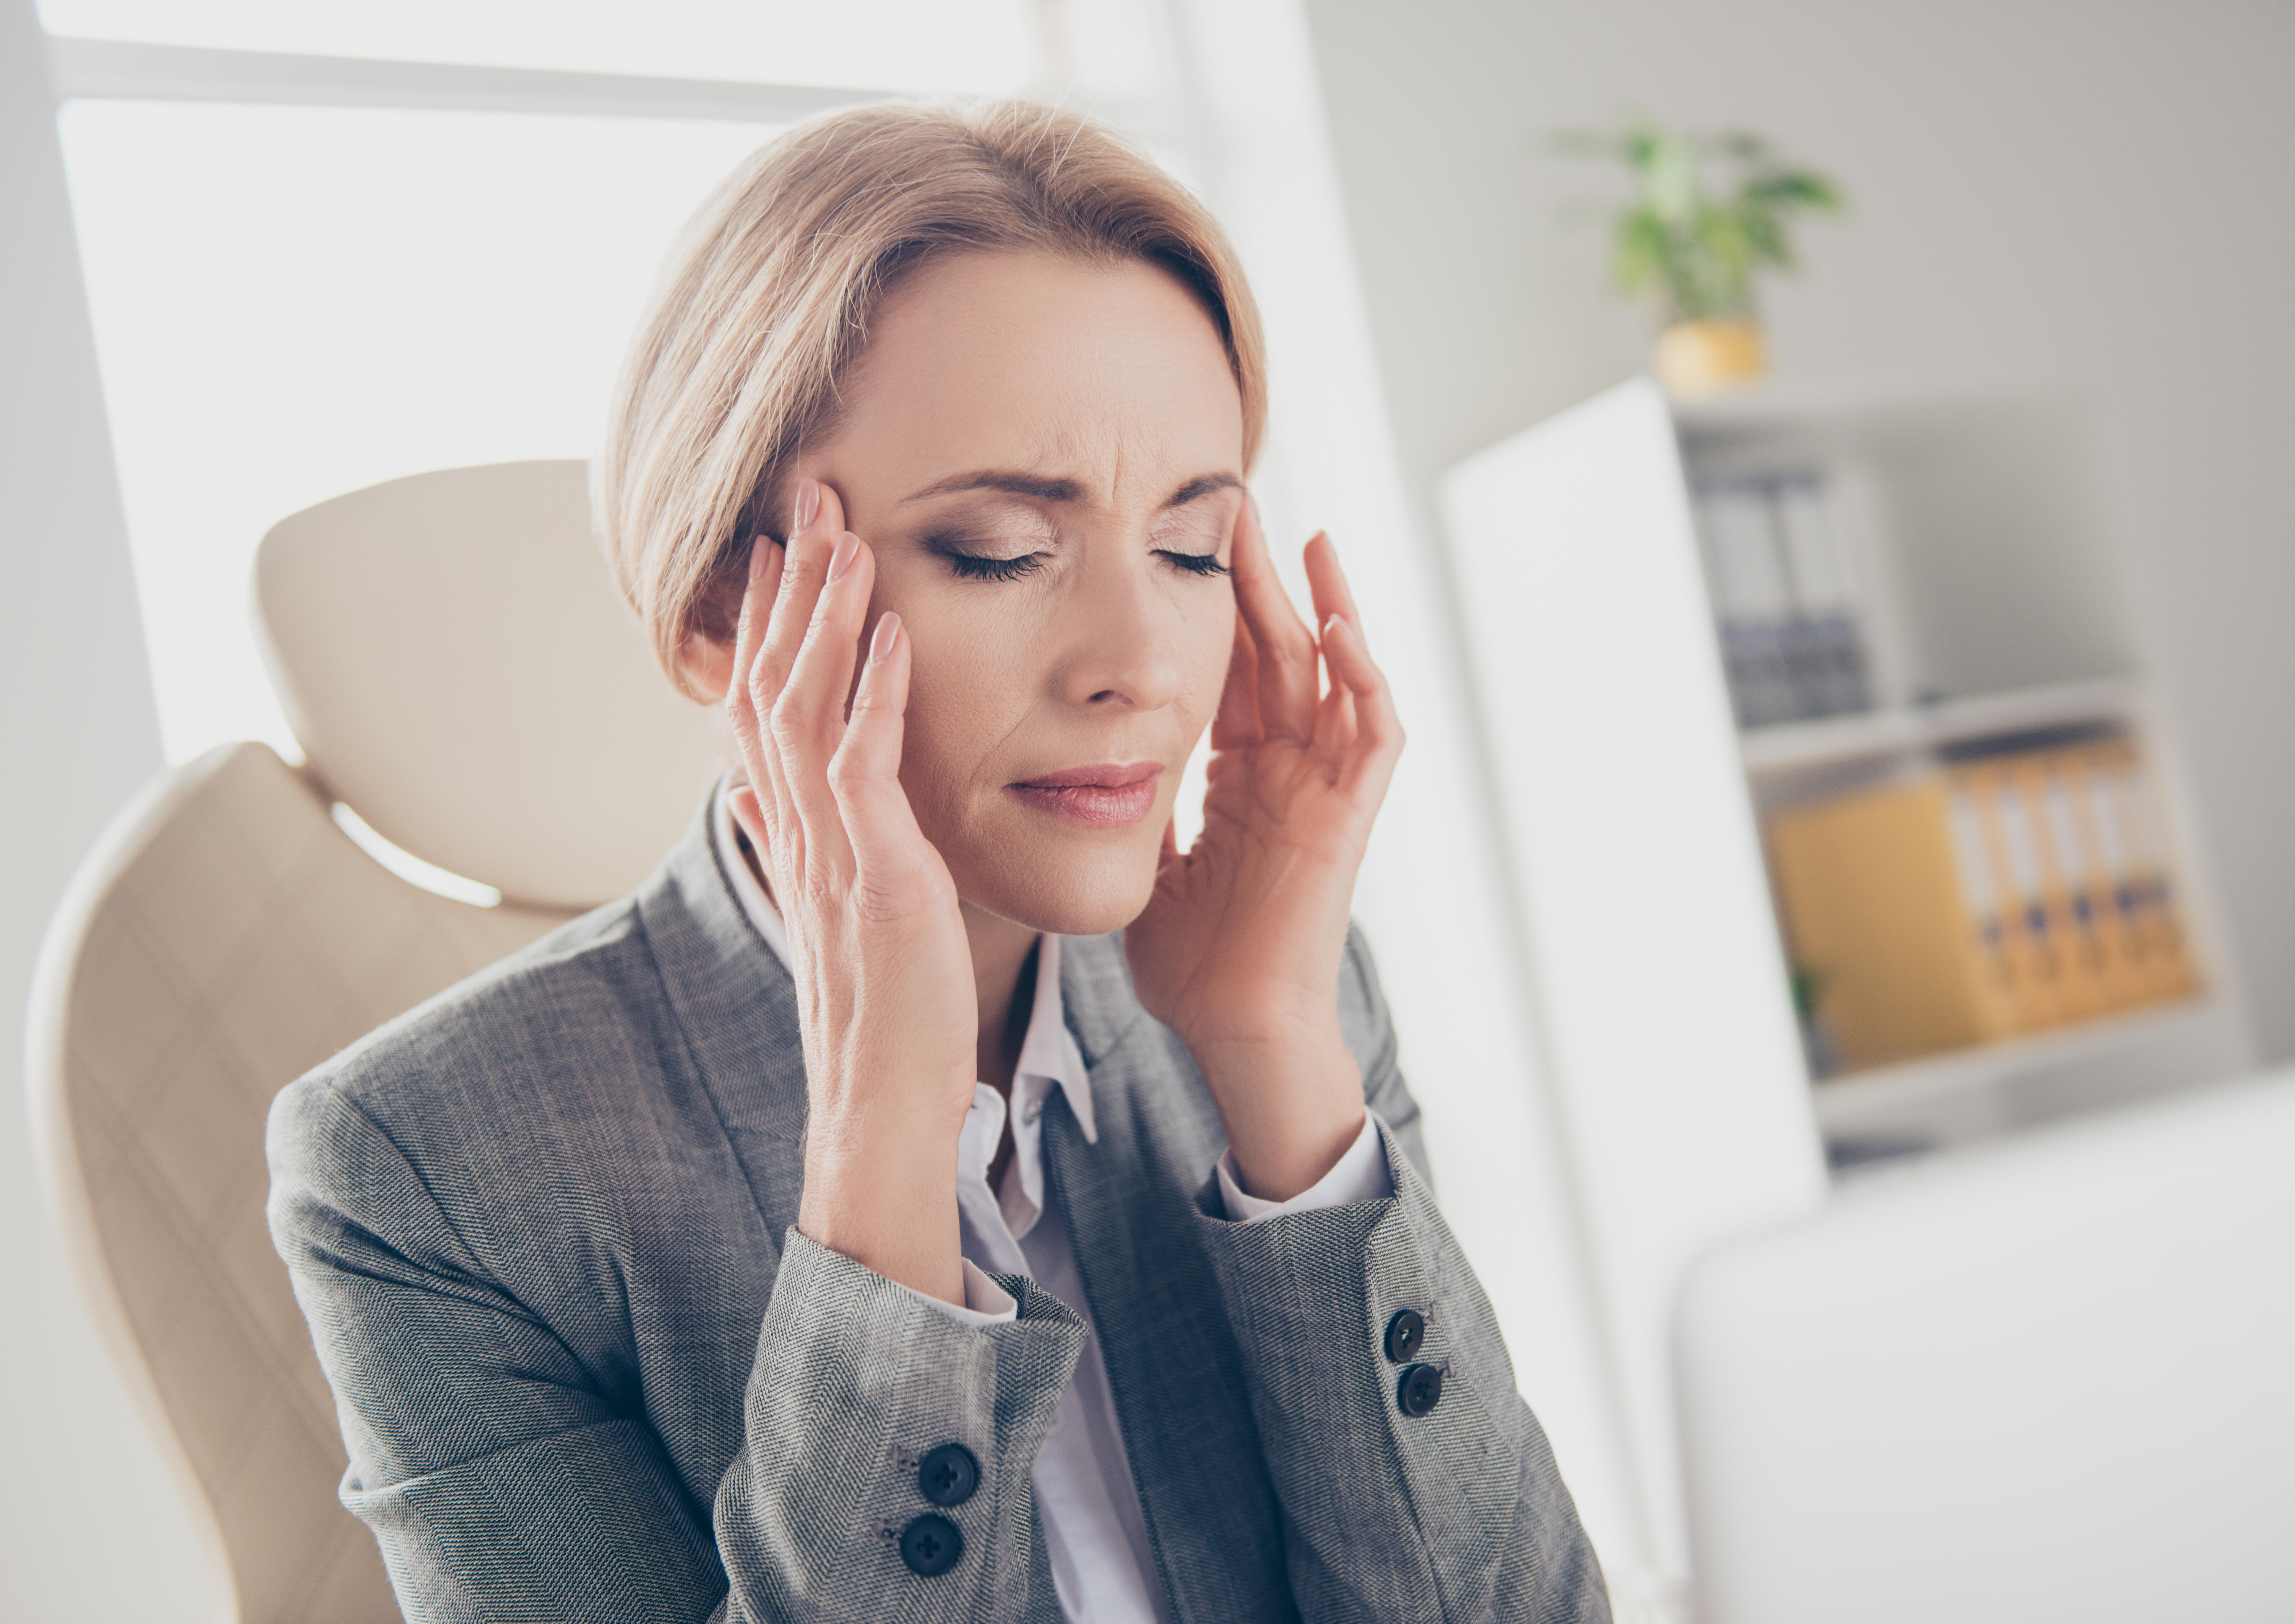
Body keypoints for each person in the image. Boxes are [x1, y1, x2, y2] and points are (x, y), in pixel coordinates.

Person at [269, 99, 1608, 1622]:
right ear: (722, 614)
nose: (1141, 666)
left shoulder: (1288, 990)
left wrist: (1279, 1058)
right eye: (997, 549)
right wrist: (884, 1159)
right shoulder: (421, 1173)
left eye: (1188, 551)